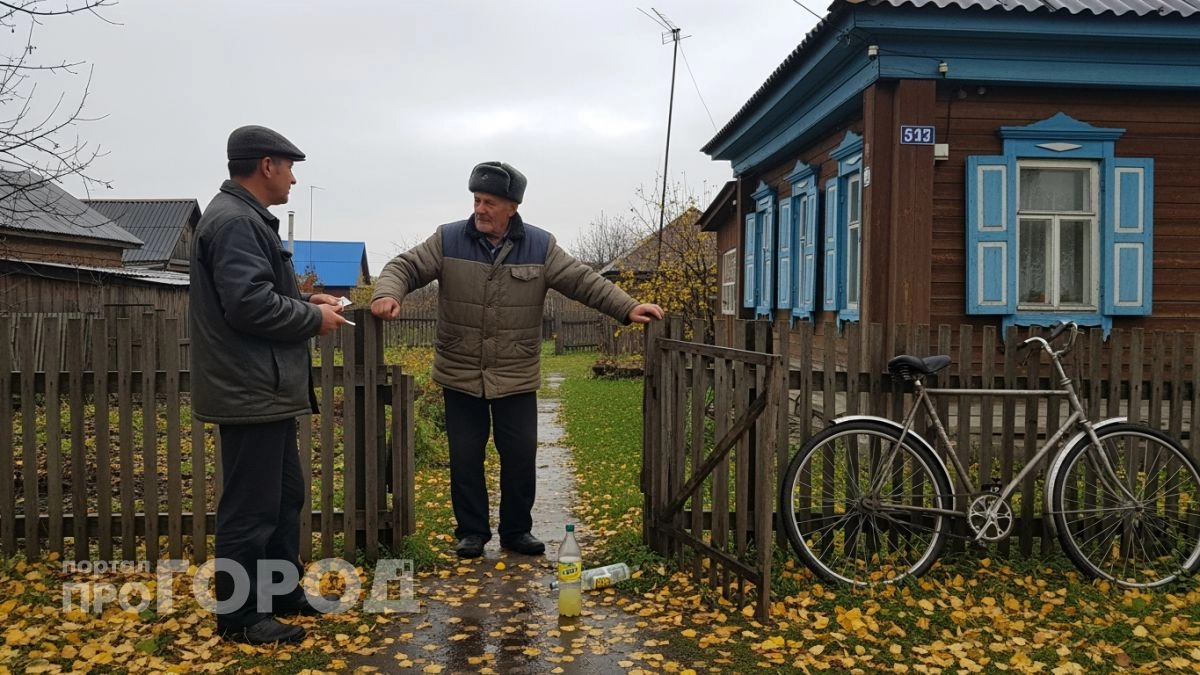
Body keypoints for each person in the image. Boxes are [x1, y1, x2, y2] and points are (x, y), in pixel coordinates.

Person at [371, 161, 664, 559]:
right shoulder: (448, 239)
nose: (479, 209)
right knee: (466, 457)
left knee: (521, 456)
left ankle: (516, 531)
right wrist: (387, 293)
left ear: (512, 207)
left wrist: (627, 307)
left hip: (516, 373)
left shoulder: (540, 246)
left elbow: (582, 280)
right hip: (460, 371)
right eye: (476, 200)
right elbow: (403, 266)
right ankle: (471, 532)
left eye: (489, 202)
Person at [190, 125, 349, 644]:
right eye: (289, 168)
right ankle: (239, 617)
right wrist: (312, 319)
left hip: (265, 388)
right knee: (250, 509)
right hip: (249, 389)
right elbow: (248, 305)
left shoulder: (245, 217)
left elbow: (258, 293)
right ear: (266, 166)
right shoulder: (236, 221)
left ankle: (279, 592)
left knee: (284, 498)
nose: (293, 179)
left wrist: (307, 302)